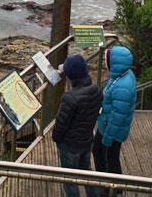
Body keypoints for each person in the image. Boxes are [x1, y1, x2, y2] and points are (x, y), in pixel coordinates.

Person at [53, 54, 103, 197]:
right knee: (87, 172)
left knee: (70, 180)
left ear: (70, 76)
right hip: (87, 141)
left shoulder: (69, 98)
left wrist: (56, 138)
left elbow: (60, 126)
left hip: (69, 145)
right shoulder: (97, 90)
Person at [93, 46, 137, 195]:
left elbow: (118, 117)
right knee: (99, 151)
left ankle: (113, 189)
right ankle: (105, 183)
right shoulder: (122, 75)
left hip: (112, 130)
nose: (105, 62)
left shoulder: (122, 87)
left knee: (110, 158)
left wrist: (108, 138)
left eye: (107, 60)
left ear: (115, 62)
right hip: (106, 125)